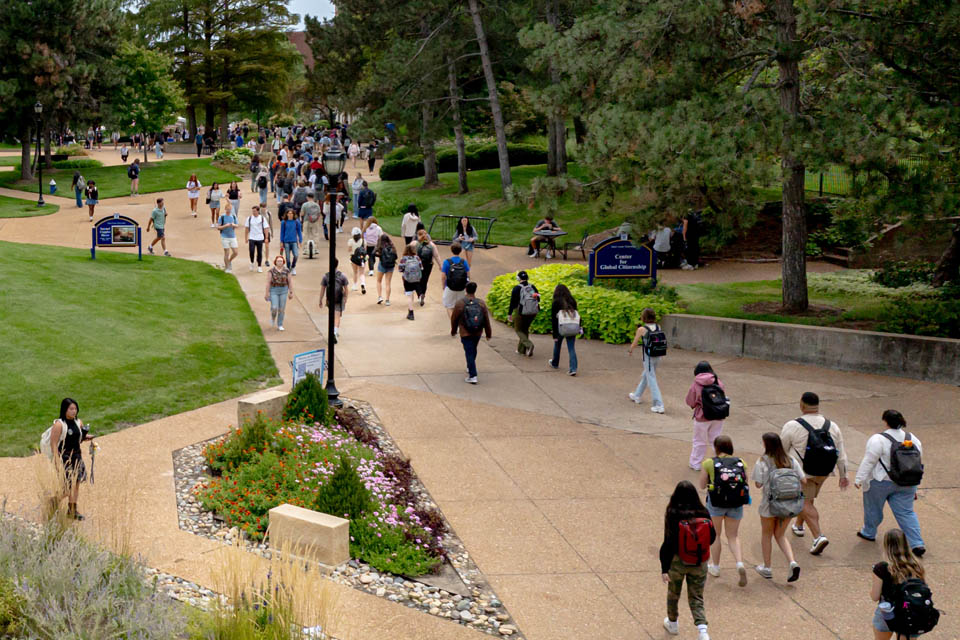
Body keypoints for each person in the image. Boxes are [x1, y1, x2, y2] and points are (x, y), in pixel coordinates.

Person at [780, 391, 850, 555]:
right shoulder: (832, 426)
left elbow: (781, 450)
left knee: (804, 503)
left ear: (801, 405)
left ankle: (818, 537)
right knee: (808, 499)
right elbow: (841, 453)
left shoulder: (792, 425)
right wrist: (843, 475)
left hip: (802, 473)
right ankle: (798, 525)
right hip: (824, 471)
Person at [855, 410, 925, 556]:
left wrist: (859, 479)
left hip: (880, 481)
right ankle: (916, 543)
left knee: (873, 509)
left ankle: (869, 532)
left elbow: (869, 460)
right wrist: (915, 486)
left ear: (885, 421)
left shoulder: (878, 439)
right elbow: (916, 463)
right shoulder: (913, 439)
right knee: (906, 512)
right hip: (907, 483)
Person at [659, 480, 716, 640]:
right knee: (696, 596)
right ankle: (702, 630)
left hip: (678, 562)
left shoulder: (673, 512)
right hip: (700, 561)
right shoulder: (703, 512)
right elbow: (712, 538)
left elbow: (668, 543)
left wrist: (664, 568)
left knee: (673, 594)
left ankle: (673, 623)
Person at [698, 435, 749, 587]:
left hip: (716, 503)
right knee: (733, 536)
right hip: (736, 503)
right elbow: (745, 483)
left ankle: (716, 566)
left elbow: (701, 485)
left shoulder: (709, 463)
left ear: (716, 447)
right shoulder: (741, 462)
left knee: (716, 535)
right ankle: (739, 563)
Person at [753, 432, 804, 582]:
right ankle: (792, 562)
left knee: (766, 535)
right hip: (788, 505)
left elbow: (758, 484)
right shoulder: (790, 460)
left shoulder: (762, 461)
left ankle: (767, 567)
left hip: (769, 505)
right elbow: (803, 480)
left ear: (766, 444)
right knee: (780, 535)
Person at [871, 529, 927, 640]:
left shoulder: (882, 568)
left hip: (888, 612)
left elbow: (875, 596)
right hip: (911, 610)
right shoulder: (916, 565)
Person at [47, 398, 95, 520]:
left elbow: (78, 439)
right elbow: (53, 444)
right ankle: (54, 501)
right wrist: (57, 462)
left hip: (77, 456)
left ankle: (72, 510)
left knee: (76, 484)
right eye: (71, 409)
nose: (74, 411)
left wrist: (86, 437)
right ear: (65, 410)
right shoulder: (59, 425)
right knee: (67, 487)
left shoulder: (79, 422)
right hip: (64, 457)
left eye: (75, 408)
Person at [685, 361, 727, 471]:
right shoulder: (718, 382)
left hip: (702, 417)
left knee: (699, 441)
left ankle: (695, 464)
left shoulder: (696, 384)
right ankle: (718, 463)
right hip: (718, 415)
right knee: (716, 440)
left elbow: (690, 401)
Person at [450, 282, 492, 384]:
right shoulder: (481, 303)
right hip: (478, 332)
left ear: (466, 289)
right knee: (473, 349)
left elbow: (454, 318)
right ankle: (470, 366)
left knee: (468, 352)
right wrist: (488, 333)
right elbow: (486, 319)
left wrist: (453, 330)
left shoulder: (460, 303)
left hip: (465, 332)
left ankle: (473, 375)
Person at [628, 308, 666, 413]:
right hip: (658, 355)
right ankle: (637, 395)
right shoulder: (658, 326)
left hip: (648, 357)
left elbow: (635, 343)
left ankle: (659, 404)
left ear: (643, 317)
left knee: (651, 379)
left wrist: (630, 350)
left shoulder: (642, 329)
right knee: (647, 376)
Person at [547, 283, 581, 375]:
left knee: (557, 346)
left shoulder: (556, 302)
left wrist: (554, 334)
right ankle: (573, 369)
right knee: (571, 348)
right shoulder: (572, 300)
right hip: (572, 327)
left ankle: (555, 363)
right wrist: (580, 327)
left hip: (560, 327)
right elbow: (576, 315)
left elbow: (554, 319)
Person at [507, 270, 539, 357]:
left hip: (520, 311)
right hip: (532, 312)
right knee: (525, 329)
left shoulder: (517, 288)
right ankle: (521, 350)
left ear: (518, 278)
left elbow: (512, 302)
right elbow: (538, 298)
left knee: (518, 329)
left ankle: (529, 345)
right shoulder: (532, 286)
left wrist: (509, 314)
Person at [319, 258, 349, 340]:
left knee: (332, 315)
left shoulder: (326, 276)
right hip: (339, 298)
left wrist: (320, 299)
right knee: (337, 315)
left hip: (329, 298)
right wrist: (346, 297)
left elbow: (323, 289)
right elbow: (346, 288)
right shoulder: (342, 275)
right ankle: (335, 332)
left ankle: (333, 331)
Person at [441, 242, 470, 318]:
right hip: (461, 287)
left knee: (449, 307)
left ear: (451, 250)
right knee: (460, 307)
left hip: (450, 287)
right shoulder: (464, 262)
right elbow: (468, 275)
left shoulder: (447, 262)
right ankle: (459, 323)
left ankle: (453, 324)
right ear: (460, 251)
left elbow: (443, 277)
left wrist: (443, 286)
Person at [264, 255, 293, 331]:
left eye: (281, 261)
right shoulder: (271, 271)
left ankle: (280, 324)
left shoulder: (287, 270)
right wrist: (267, 293)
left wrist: (291, 292)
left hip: (284, 290)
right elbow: (268, 282)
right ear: (275, 262)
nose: (280, 262)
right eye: (278, 261)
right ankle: (273, 318)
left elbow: (290, 282)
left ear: (283, 262)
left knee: (281, 309)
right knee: (274, 307)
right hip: (274, 290)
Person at [415, 229, 442, 306]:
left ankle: (419, 294)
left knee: (417, 280)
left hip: (418, 264)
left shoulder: (417, 244)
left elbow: (414, 255)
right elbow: (436, 256)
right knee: (425, 280)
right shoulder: (432, 245)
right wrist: (440, 265)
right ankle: (423, 293)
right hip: (429, 264)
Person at [398, 242, 423, 320]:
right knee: (415, 290)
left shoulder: (404, 258)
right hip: (416, 279)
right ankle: (420, 294)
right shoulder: (417, 258)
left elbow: (400, 269)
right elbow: (421, 268)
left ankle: (411, 313)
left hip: (407, 279)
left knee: (409, 295)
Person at [374, 233, 397, 306]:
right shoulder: (392, 247)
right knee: (388, 283)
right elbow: (396, 257)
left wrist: (379, 255)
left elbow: (373, 253)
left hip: (382, 265)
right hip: (390, 266)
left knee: (378, 281)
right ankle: (387, 300)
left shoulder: (380, 246)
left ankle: (380, 296)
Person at [245, 205, 269, 272]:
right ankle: (252, 262)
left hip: (260, 237)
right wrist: (246, 237)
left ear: (258, 211)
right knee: (251, 251)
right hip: (252, 237)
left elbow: (266, 228)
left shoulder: (262, 218)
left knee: (259, 252)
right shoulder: (249, 218)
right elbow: (247, 228)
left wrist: (266, 237)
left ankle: (259, 266)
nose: (253, 212)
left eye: (255, 211)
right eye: (253, 211)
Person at [217, 203, 240, 273]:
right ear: (225, 209)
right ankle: (227, 267)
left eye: (230, 209)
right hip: (224, 237)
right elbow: (218, 227)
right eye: (227, 209)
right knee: (226, 252)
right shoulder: (222, 217)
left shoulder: (233, 216)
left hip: (232, 236)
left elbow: (237, 225)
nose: (229, 210)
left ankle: (229, 261)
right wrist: (225, 226)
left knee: (235, 252)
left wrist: (233, 225)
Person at [280, 208, 302, 275]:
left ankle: (293, 267)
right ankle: (288, 267)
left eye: (291, 213)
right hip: (286, 241)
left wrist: (300, 240)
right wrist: (281, 241)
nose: (290, 214)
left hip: (294, 241)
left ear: (293, 214)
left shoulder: (296, 221)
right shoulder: (284, 222)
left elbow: (299, 231)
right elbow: (282, 232)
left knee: (296, 255)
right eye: (289, 213)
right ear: (286, 214)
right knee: (287, 257)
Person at [347, 227, 367, 294]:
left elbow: (349, 250)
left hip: (353, 258)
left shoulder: (351, 241)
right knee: (362, 273)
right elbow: (365, 250)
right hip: (362, 258)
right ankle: (363, 284)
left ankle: (355, 285)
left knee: (355, 272)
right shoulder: (363, 241)